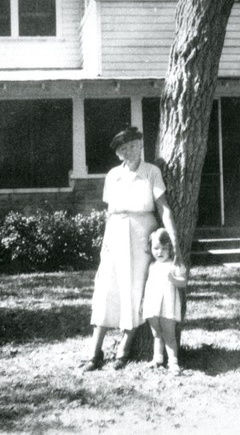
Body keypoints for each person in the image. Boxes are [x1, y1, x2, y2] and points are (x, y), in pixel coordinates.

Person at [82, 126, 182, 372]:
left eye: (135, 145)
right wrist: (105, 242)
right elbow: (110, 212)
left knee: (134, 290)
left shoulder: (151, 172)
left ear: (141, 147)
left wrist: (173, 236)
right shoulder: (112, 175)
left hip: (140, 235)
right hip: (115, 232)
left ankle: (123, 351)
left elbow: (163, 207)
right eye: (125, 149)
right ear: (119, 154)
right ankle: (94, 352)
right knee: (106, 288)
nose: (131, 151)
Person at [142, 228, 187, 375]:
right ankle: (157, 358)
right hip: (153, 303)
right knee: (156, 333)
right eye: (156, 248)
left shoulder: (174, 265)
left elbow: (183, 283)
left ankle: (173, 362)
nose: (159, 252)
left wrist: (173, 279)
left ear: (171, 249)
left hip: (168, 304)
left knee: (169, 334)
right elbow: (148, 284)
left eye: (164, 248)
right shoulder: (152, 265)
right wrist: (143, 302)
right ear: (150, 248)